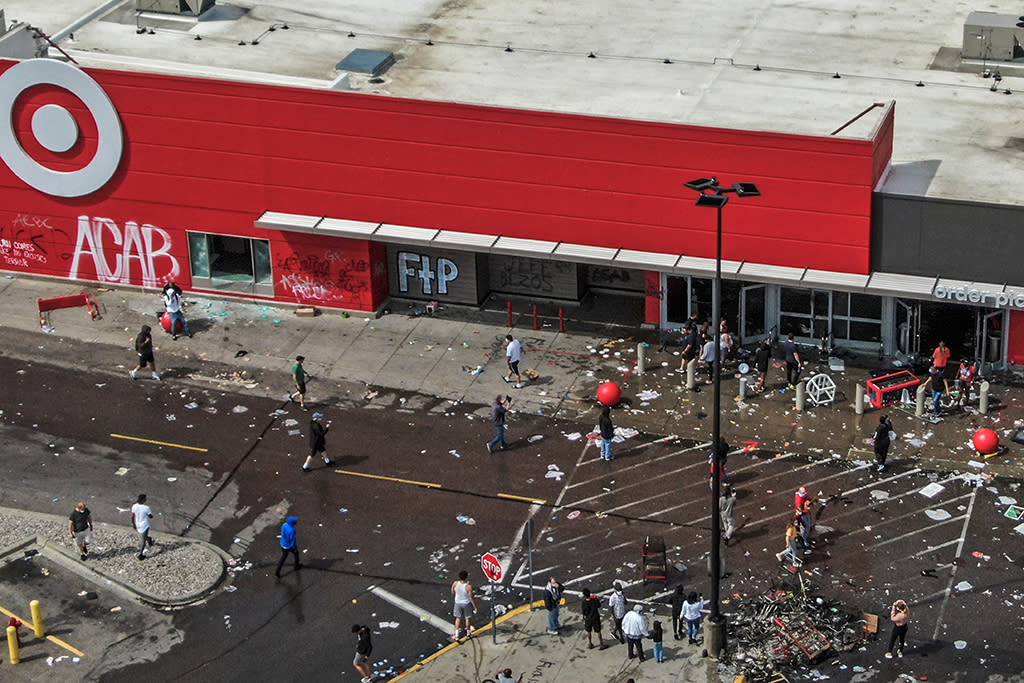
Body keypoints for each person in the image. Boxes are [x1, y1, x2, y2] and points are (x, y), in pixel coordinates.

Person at [451, 569, 477, 640]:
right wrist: (475, 607)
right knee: (467, 618)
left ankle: (456, 635)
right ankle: (468, 634)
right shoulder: (468, 586)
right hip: (466, 603)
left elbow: (452, 591)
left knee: (458, 618)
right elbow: (471, 598)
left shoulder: (455, 583)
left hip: (458, 603)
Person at [130, 494, 155, 560]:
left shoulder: (134, 506)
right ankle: (140, 554)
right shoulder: (146, 508)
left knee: (143, 536)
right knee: (143, 541)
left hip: (137, 524)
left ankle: (149, 540)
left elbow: (133, 516)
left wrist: (133, 524)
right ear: (143, 500)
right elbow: (151, 516)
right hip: (144, 525)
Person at [794, 486, 815, 551]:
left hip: (805, 514)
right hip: (803, 515)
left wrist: (809, 501)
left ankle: (804, 538)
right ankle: (804, 540)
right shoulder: (798, 501)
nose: (805, 493)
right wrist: (806, 508)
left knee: (806, 527)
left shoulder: (803, 495)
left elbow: (807, 498)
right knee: (805, 527)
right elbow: (800, 511)